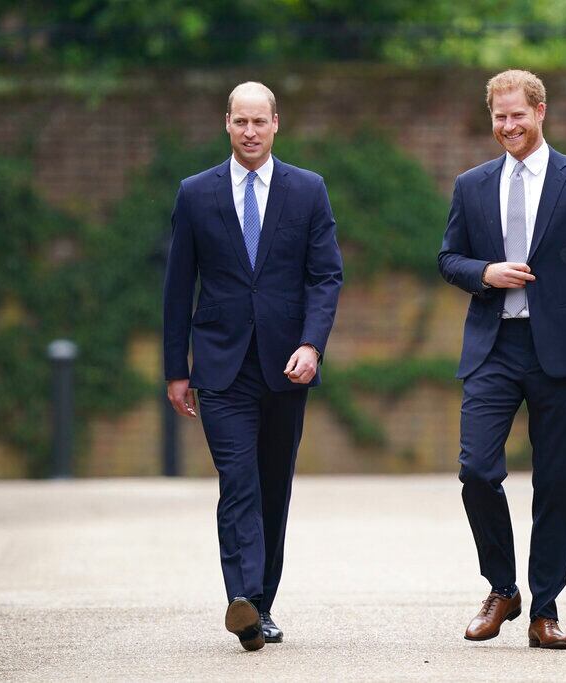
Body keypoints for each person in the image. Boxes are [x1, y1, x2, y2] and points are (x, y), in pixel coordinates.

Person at [438, 69, 566, 650]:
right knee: (476, 470)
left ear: (540, 111)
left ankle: (545, 610)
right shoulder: (471, 185)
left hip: (562, 350)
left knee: (554, 483)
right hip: (493, 346)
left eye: (518, 114)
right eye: (500, 116)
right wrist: (485, 272)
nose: (508, 125)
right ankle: (502, 588)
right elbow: (448, 258)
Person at [162, 81, 342, 651]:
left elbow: (325, 277)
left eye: (259, 121)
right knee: (237, 481)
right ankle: (242, 598)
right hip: (221, 367)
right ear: (227, 124)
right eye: (240, 121)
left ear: (275, 124)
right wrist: (176, 369)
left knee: (272, 486)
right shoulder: (196, 194)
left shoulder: (307, 190)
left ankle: (261, 606)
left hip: (287, 365)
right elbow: (177, 287)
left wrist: (312, 345)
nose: (250, 131)